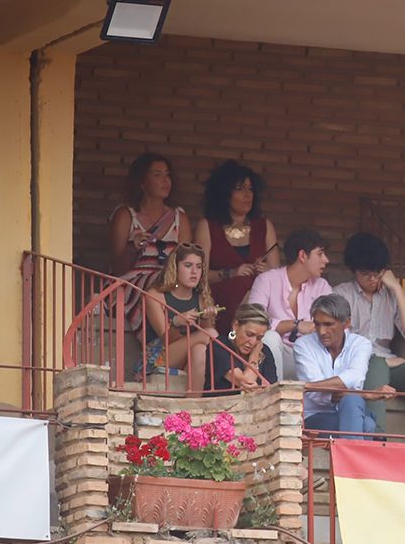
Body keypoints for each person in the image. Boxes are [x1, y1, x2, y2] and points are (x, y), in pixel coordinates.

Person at [333, 232, 405, 427]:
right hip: (359, 364)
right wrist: (385, 361)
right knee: (376, 364)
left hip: (391, 363)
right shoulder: (341, 294)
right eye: (366, 273)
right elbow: (338, 342)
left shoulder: (391, 295)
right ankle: (377, 437)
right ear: (354, 270)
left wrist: (397, 289)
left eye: (378, 272)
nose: (373, 279)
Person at [109, 153, 194, 331]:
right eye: (157, 175)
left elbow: (187, 261)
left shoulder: (179, 218)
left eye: (167, 174)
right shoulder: (126, 215)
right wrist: (133, 247)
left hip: (170, 283)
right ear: (142, 182)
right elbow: (116, 269)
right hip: (133, 286)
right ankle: (165, 336)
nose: (165, 180)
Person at [196, 160, 279, 335]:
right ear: (224, 193)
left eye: (250, 189)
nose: (247, 194)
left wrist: (266, 271)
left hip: (258, 302)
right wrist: (231, 273)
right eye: (240, 189)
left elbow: (277, 275)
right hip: (220, 302)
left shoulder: (264, 226)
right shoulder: (207, 226)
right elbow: (198, 276)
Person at [294, 294, 390, 439]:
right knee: (367, 425)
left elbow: (355, 378)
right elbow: (315, 394)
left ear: (346, 323)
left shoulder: (361, 344)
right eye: (317, 324)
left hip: (351, 409)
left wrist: (308, 386)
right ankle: (352, 461)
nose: (321, 331)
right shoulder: (303, 344)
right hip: (315, 416)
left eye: (328, 324)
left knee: (353, 401)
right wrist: (364, 394)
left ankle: (348, 460)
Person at [247, 229, 332, 380]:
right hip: (276, 357)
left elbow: (332, 325)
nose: (326, 260)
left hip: (311, 357)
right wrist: (294, 325)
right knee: (270, 337)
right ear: (302, 256)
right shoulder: (266, 280)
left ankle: (321, 399)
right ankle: (276, 395)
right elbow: (252, 322)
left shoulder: (322, 286)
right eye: (320, 254)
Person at [138, 243, 218, 393]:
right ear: (175, 267)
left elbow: (209, 344)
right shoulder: (155, 295)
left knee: (200, 349)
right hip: (159, 356)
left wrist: (207, 317)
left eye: (199, 267)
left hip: (189, 356)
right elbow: (166, 340)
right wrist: (176, 322)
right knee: (210, 334)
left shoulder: (201, 298)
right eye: (188, 265)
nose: (194, 272)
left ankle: (192, 405)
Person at [206, 303, 278, 396]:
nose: (253, 342)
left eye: (259, 338)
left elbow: (271, 390)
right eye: (249, 334)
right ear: (236, 326)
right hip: (220, 407)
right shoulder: (219, 345)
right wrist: (254, 357)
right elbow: (248, 381)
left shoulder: (265, 351)